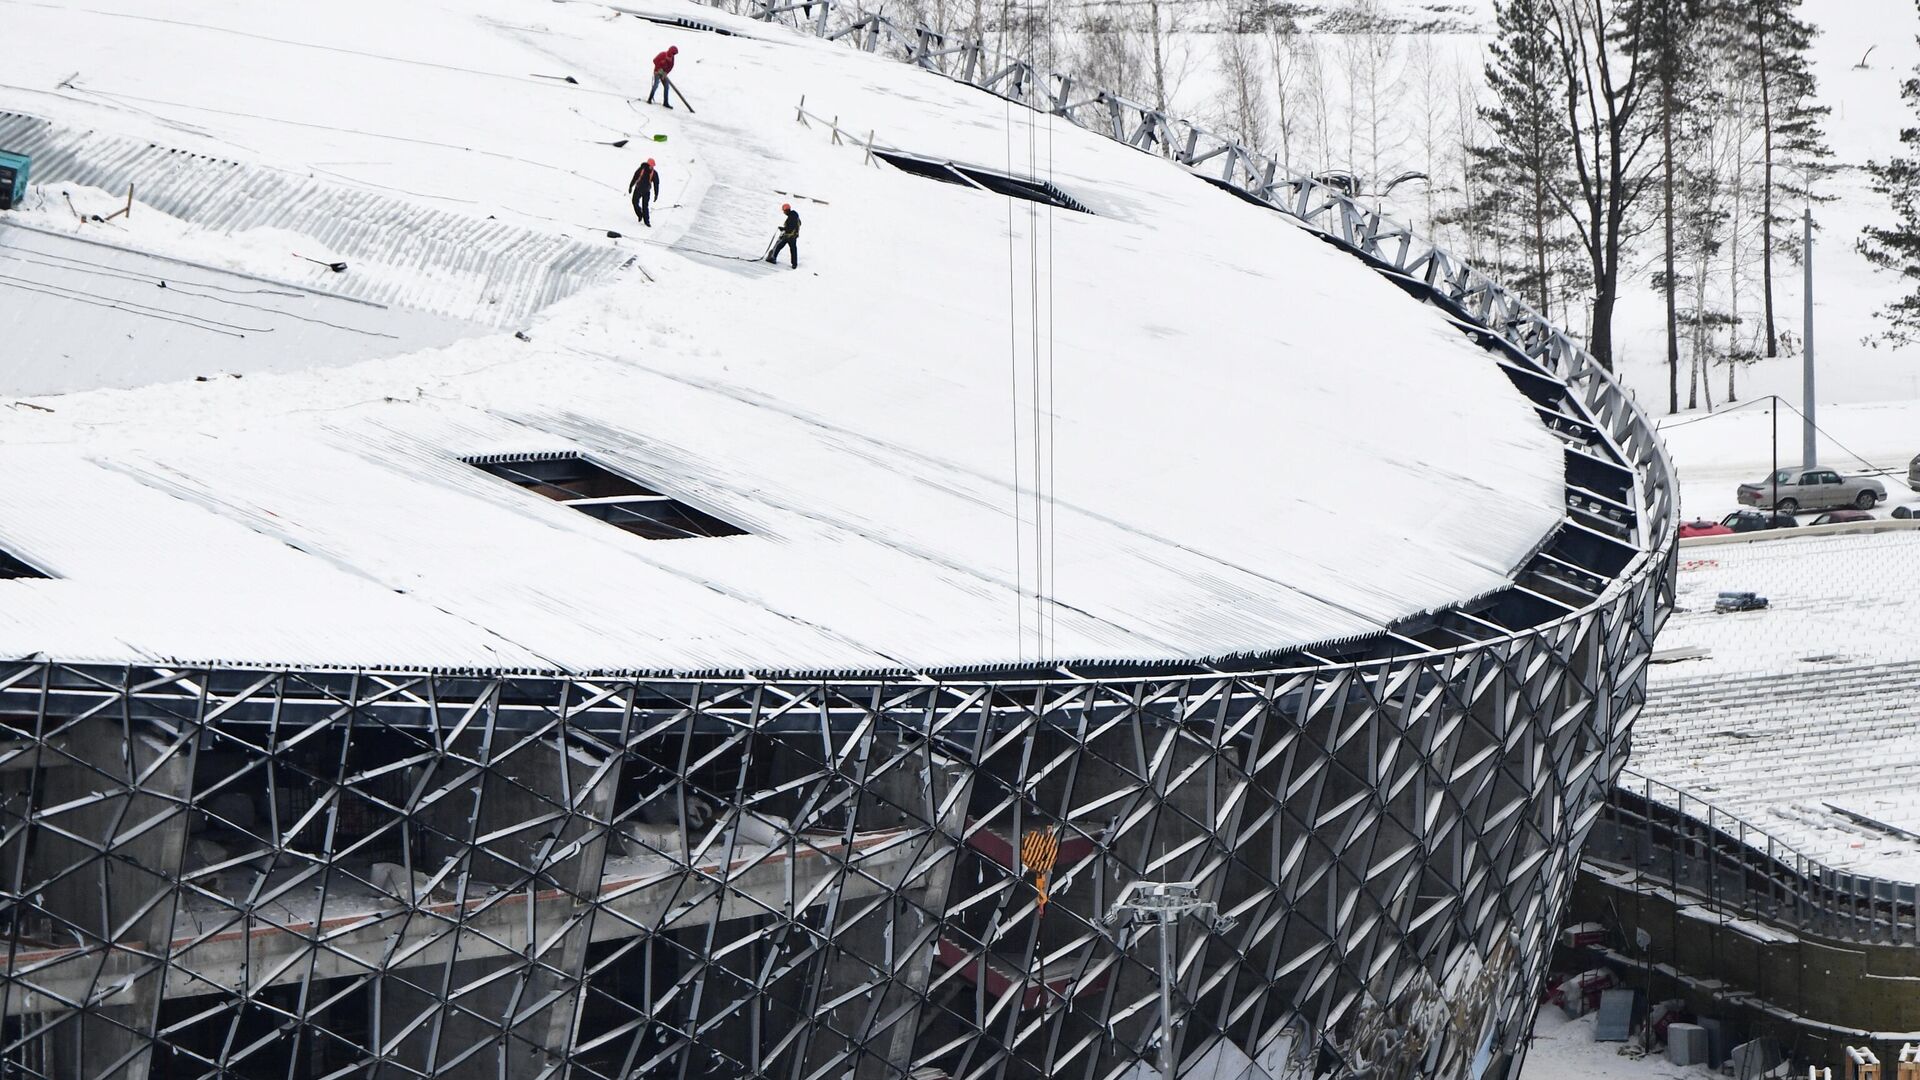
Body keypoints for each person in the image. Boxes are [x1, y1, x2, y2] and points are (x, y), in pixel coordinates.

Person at [766, 203, 801, 269]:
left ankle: (773, 258)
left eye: (784, 211)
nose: (783, 212)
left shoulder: (792, 216)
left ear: (786, 210)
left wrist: (783, 228)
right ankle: (794, 264)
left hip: (790, 236)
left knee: (779, 246)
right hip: (791, 236)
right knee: (792, 249)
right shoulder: (793, 215)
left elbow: (790, 228)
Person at [628, 158, 660, 226]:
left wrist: (656, 194)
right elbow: (635, 177)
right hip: (638, 189)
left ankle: (647, 221)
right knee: (634, 202)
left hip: (646, 191)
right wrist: (631, 186)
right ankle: (640, 215)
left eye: (653, 166)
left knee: (645, 206)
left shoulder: (654, 173)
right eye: (651, 165)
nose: (652, 167)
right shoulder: (641, 169)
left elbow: (656, 184)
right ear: (648, 164)